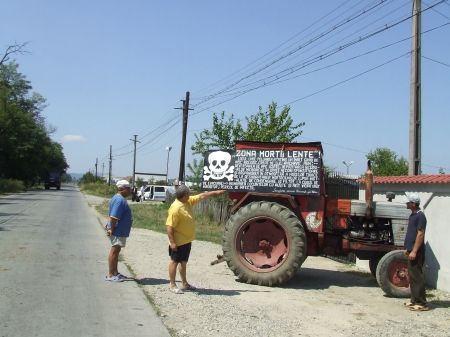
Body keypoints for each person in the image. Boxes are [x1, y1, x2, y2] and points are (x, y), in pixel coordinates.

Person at [166, 185, 225, 293]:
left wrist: (216, 192)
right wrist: (172, 242)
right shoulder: (176, 208)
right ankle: (172, 284)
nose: (190, 196)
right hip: (178, 241)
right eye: (188, 194)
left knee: (183, 262)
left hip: (186, 240)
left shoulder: (187, 201)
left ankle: (184, 283)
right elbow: (169, 227)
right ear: (184, 196)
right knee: (174, 262)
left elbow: (202, 195)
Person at [404, 192, 428, 311]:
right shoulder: (412, 215)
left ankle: (422, 303)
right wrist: (408, 249)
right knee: (412, 276)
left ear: (413, 204)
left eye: (408, 201)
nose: (406, 203)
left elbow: (420, 234)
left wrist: (414, 251)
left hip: (417, 252)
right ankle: (414, 300)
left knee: (417, 276)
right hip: (411, 250)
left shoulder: (420, 216)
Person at [105, 180, 133, 282]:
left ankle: (115, 272)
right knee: (114, 251)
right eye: (129, 189)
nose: (130, 191)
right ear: (123, 189)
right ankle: (111, 274)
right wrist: (110, 229)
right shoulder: (119, 200)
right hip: (117, 230)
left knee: (117, 252)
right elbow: (113, 217)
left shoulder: (119, 198)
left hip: (120, 231)